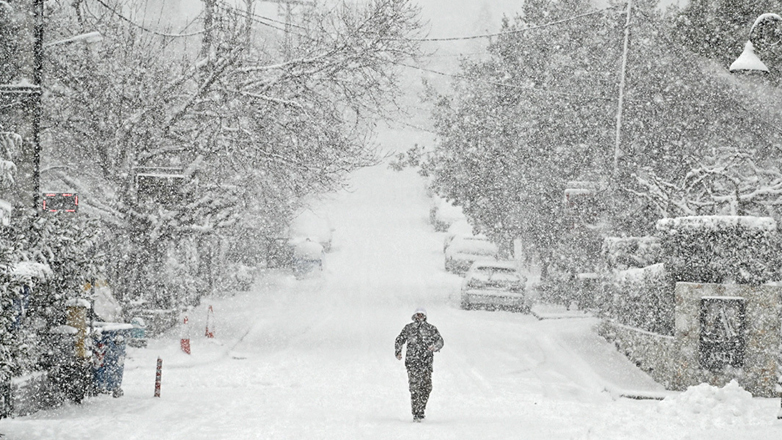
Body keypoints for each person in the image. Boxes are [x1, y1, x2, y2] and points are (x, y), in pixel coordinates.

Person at [394, 308, 444, 422]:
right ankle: (416, 413)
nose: (419, 317)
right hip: (412, 363)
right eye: (418, 315)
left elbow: (440, 341)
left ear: (425, 316)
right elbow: (399, 340)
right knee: (414, 388)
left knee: (426, 388)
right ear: (414, 316)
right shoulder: (409, 328)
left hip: (426, 363)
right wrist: (398, 351)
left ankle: (421, 409)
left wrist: (435, 347)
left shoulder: (431, 329)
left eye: (421, 315)